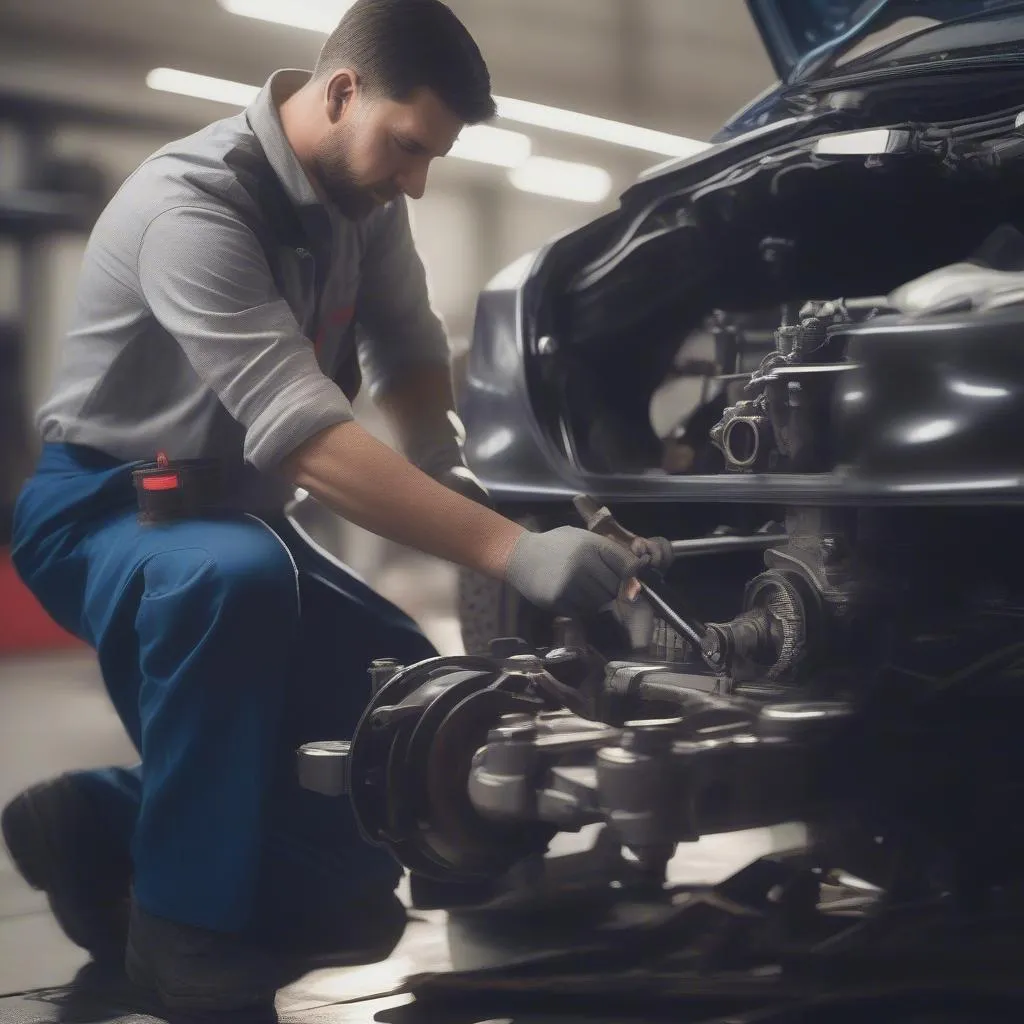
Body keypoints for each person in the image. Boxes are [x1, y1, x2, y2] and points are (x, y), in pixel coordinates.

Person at [2, 1, 668, 1020]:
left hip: (232, 513)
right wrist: (511, 555)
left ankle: (100, 817)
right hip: (108, 505)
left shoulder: (365, 209)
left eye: (432, 157)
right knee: (233, 580)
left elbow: (407, 353)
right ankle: (181, 929)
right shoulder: (196, 205)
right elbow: (307, 438)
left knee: (394, 699)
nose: (416, 179)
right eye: (408, 145)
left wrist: (459, 485)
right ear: (342, 90)